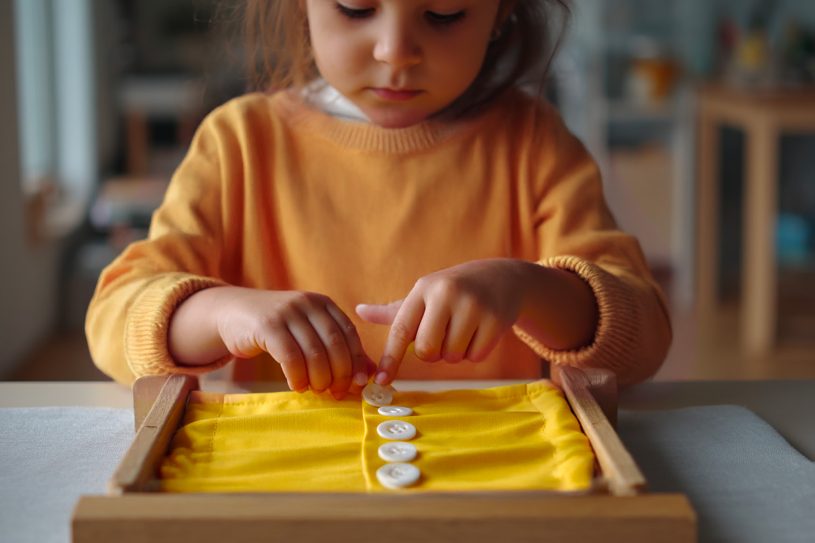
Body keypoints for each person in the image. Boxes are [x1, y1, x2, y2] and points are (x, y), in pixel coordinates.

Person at [86, 0, 671, 398]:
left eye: (443, 13)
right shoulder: (239, 143)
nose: (395, 50)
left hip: (487, 491)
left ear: (501, 12)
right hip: (293, 494)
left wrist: (526, 287)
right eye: (356, 6)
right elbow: (113, 317)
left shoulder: (534, 144)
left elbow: (642, 338)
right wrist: (224, 312)